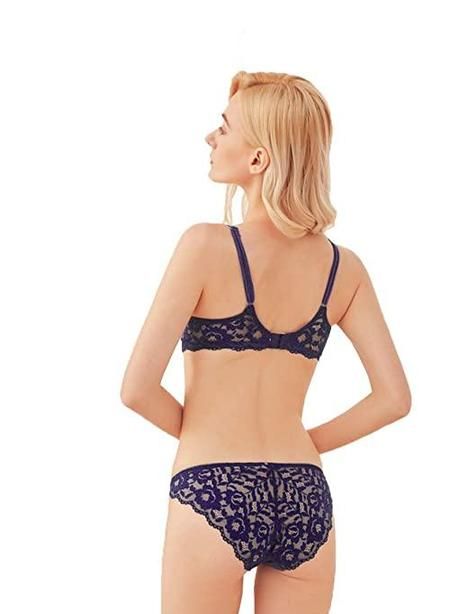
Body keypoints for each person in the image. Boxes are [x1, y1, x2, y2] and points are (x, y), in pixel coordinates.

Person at [120, 70, 411, 614]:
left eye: (224, 127)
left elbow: (136, 389)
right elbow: (393, 398)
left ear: (258, 159)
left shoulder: (204, 246)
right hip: (304, 493)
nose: (211, 138)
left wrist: (209, 436)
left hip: (212, 489)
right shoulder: (343, 268)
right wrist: (300, 442)